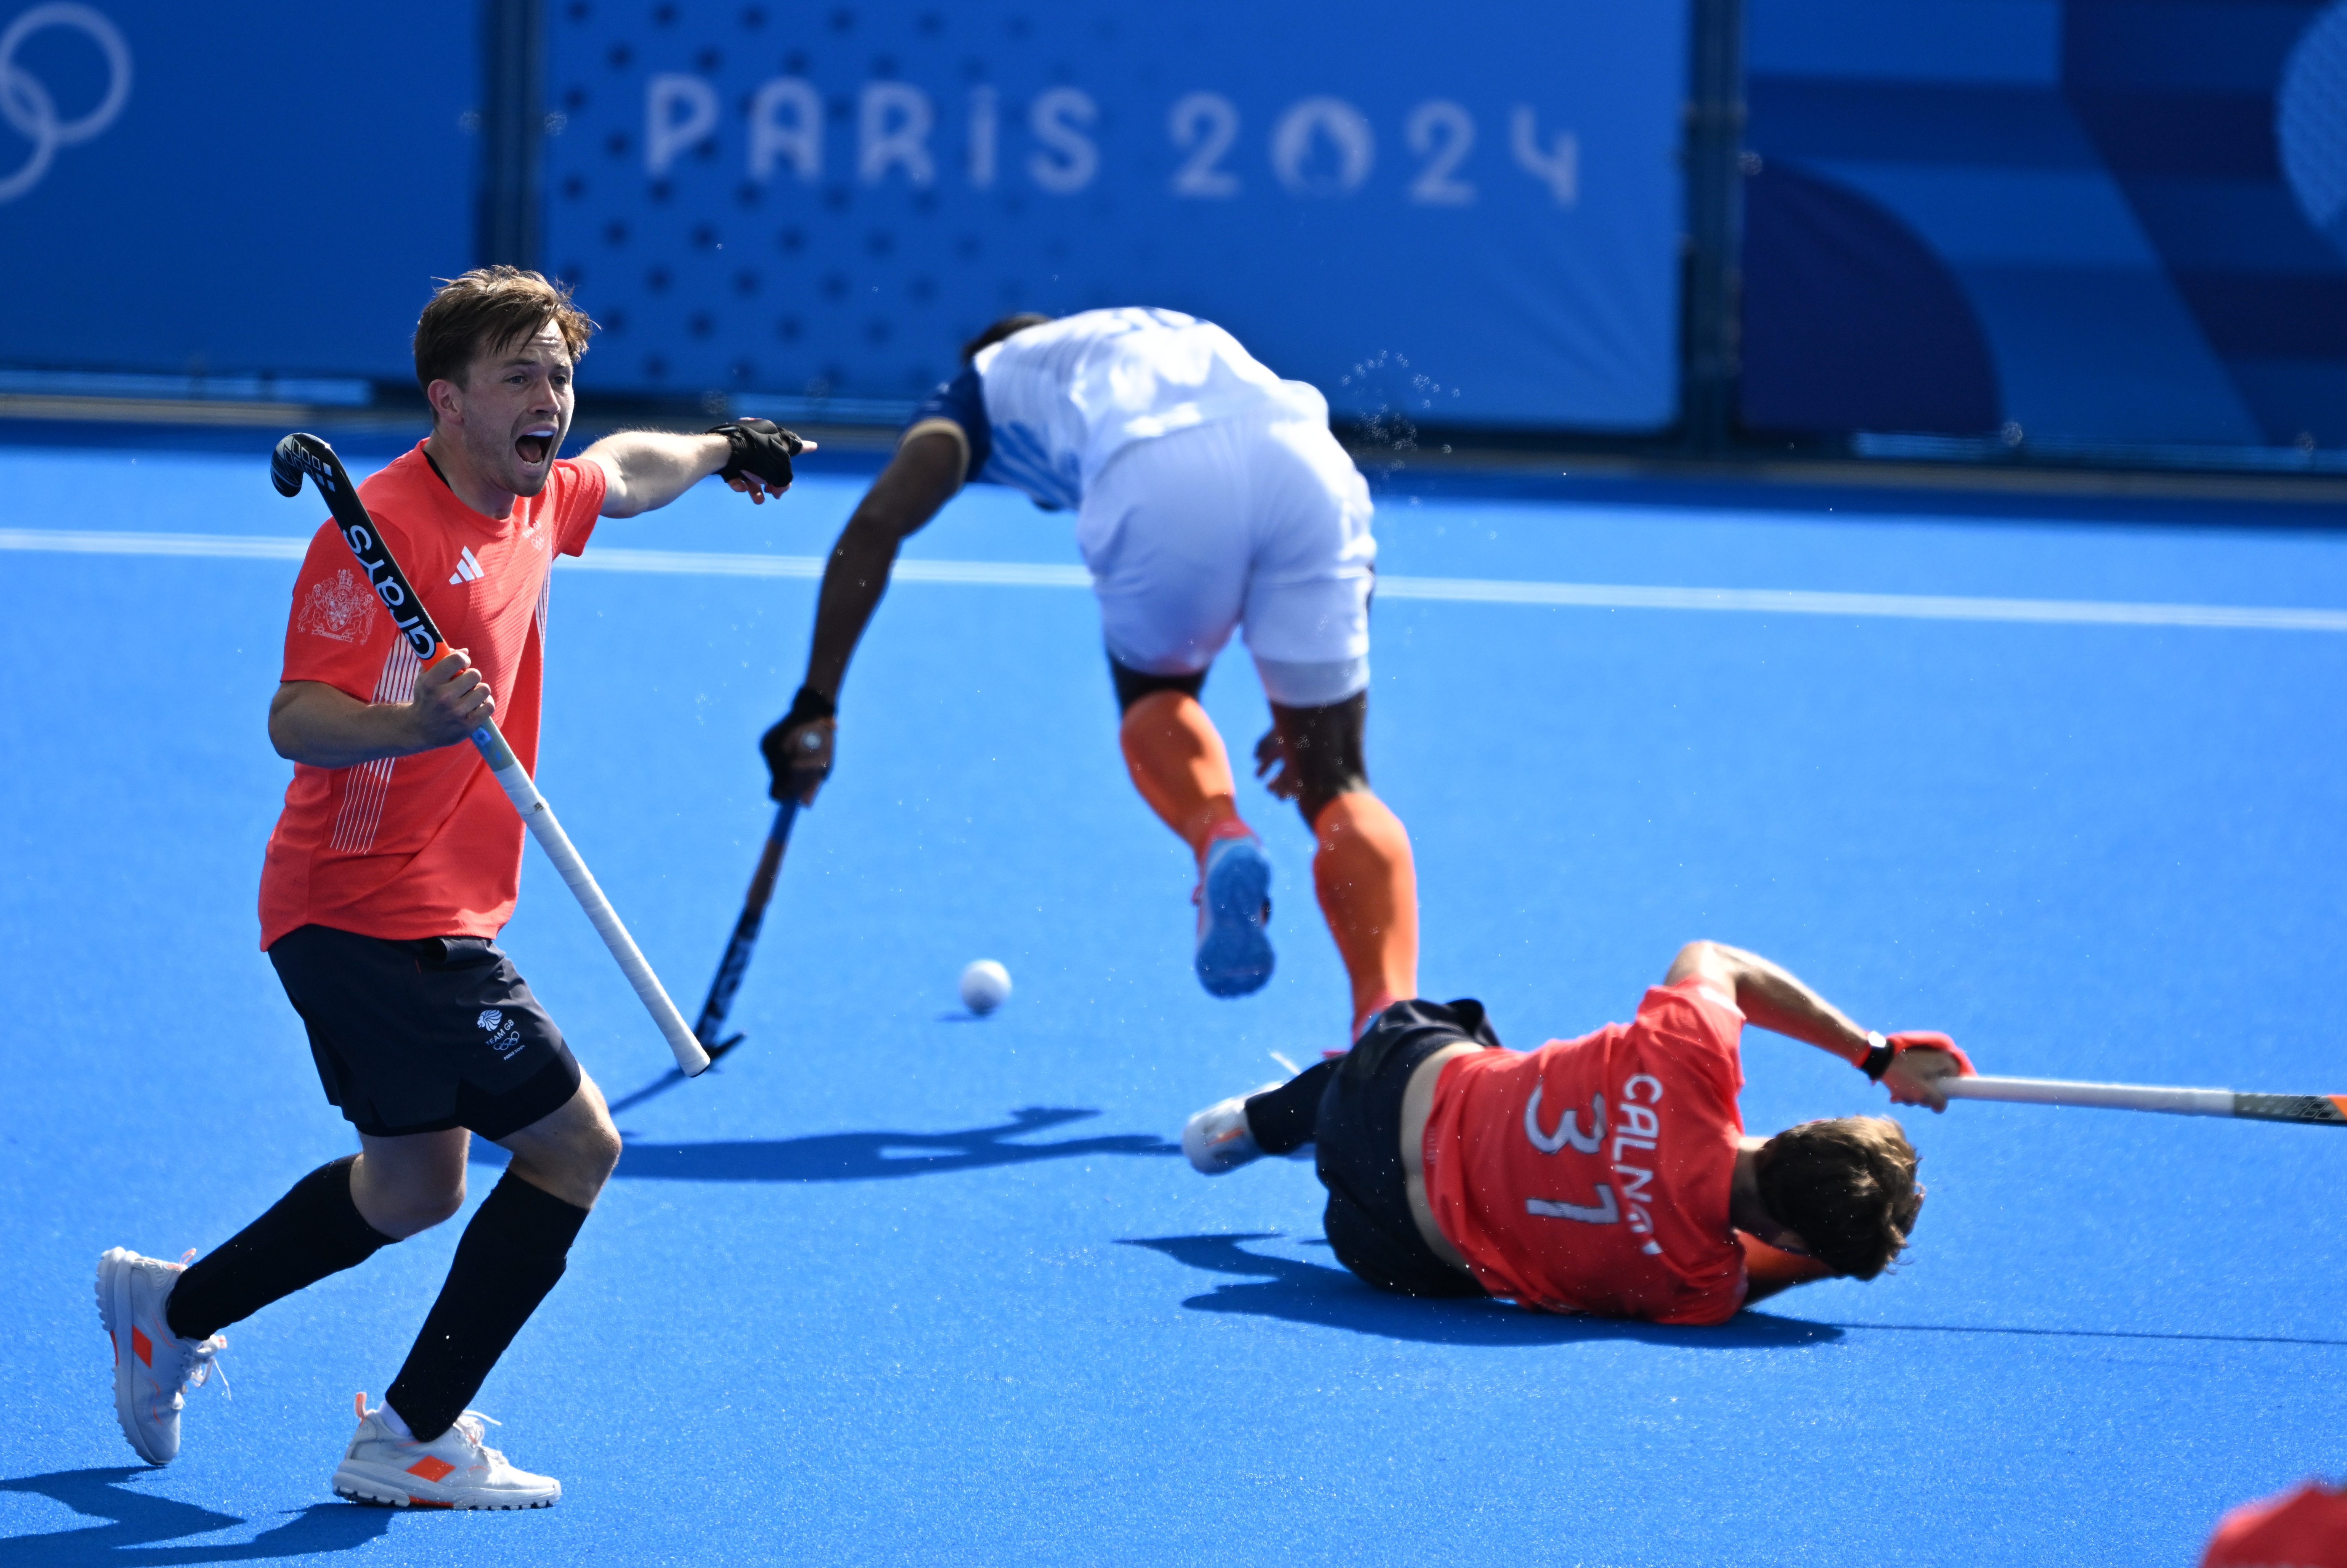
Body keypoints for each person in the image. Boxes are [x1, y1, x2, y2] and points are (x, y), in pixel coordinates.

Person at [96, 266, 807, 1507]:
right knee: (576, 1145)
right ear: (447, 399)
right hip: (368, 909)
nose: (553, 398)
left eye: (562, 374)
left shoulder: (532, 495)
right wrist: (412, 718)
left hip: (441, 908)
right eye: (521, 375)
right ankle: (412, 1437)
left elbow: (625, 474)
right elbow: (295, 719)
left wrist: (717, 445)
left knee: (414, 1187)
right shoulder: (378, 533)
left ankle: (170, 1308)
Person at [759, 308, 1416, 1038]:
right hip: (1310, 462)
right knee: (1338, 783)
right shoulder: (1163, 336)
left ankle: (1219, 833)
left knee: (1159, 693)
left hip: (1159, 470)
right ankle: (1389, 1023)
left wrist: (816, 701)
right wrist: (1311, 717)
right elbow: (1353, 558)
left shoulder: (982, 383)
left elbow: (880, 521)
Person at [1181, 939, 1974, 1324]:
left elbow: (1715, 957)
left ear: (1807, 1126)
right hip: (1386, 1247)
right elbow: (1773, 1265)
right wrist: (1845, 1251)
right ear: (1797, 1237)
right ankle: (1300, 1128)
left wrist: (1876, 1055)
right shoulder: (1701, 1282)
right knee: (1496, 1241)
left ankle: (1264, 1120)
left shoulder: (1688, 1056)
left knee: (1464, 1041)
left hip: (1383, 1090)